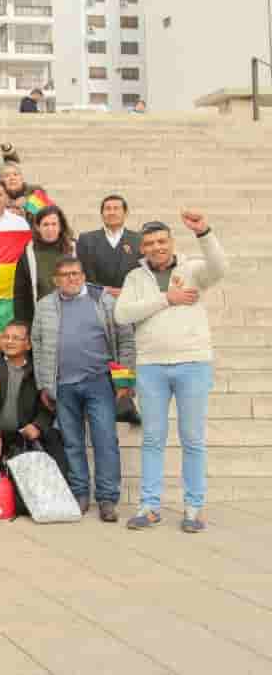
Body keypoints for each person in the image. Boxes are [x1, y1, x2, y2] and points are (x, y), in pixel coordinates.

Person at [115, 212, 224, 533]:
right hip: (151, 366)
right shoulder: (136, 278)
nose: (156, 247)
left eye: (162, 241)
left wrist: (204, 232)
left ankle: (194, 507)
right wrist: (167, 298)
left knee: (192, 439)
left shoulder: (191, 268)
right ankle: (149, 506)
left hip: (192, 363)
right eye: (149, 243)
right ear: (142, 249)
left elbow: (219, 267)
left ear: (171, 243)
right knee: (152, 438)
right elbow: (122, 313)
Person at [32, 255, 135, 521]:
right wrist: (44, 385)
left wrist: (124, 381)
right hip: (63, 386)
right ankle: (79, 494)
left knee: (105, 441)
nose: (71, 278)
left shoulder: (104, 301)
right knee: (73, 443)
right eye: (65, 275)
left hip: (99, 381)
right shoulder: (44, 306)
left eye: (76, 273)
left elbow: (125, 340)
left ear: (84, 275)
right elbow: (39, 346)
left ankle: (107, 499)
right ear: (56, 280)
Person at [0, 320, 66, 488]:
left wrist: (38, 426)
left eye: (16, 338)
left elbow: (48, 403)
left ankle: (61, 491)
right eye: (6, 337)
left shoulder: (38, 369)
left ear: (28, 345)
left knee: (54, 440)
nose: (9, 342)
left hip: (26, 432)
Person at [14, 205, 75, 325]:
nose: (50, 229)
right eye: (45, 224)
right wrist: (22, 323)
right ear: (37, 227)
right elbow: (20, 294)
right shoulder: (28, 253)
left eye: (54, 224)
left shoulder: (75, 249)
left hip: (73, 316)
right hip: (41, 319)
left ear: (61, 226)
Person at [76, 194, 142, 296]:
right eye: (108, 209)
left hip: (129, 299)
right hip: (95, 300)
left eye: (116, 208)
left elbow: (142, 273)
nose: (112, 212)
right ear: (102, 214)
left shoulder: (138, 240)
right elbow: (81, 274)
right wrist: (102, 290)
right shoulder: (86, 240)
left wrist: (125, 292)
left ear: (125, 213)